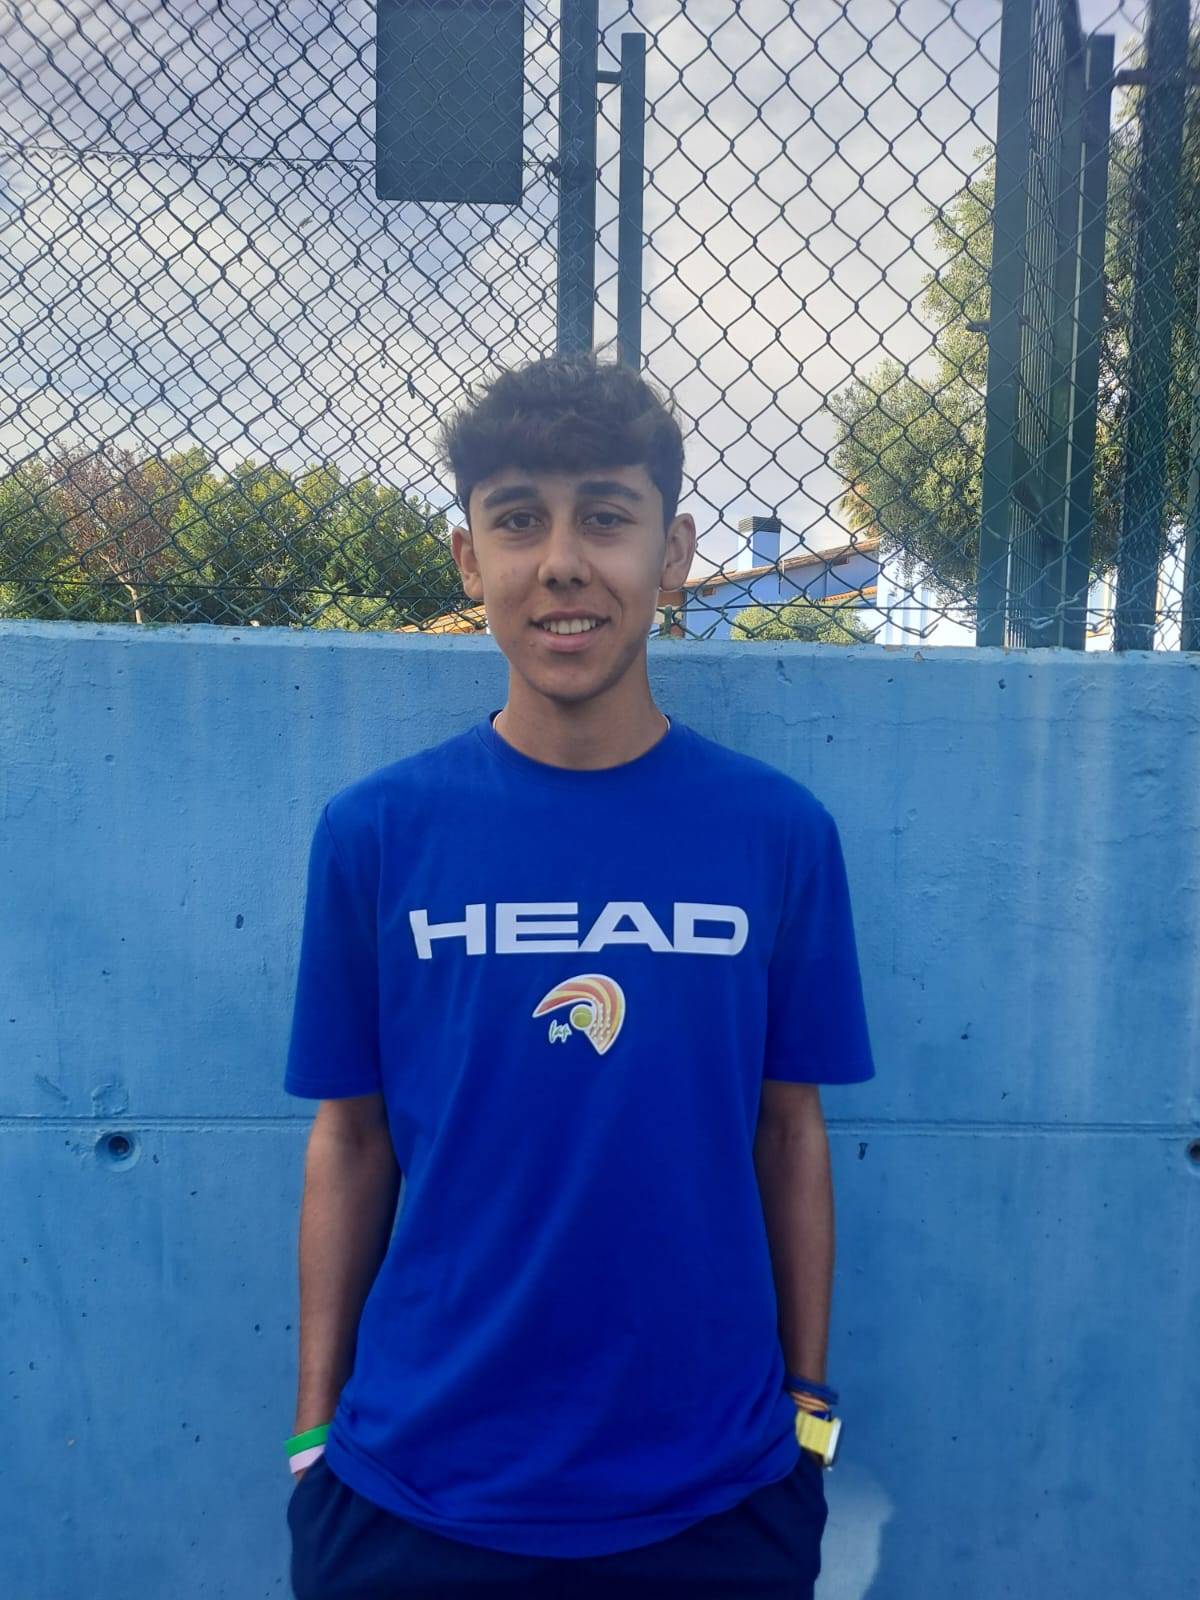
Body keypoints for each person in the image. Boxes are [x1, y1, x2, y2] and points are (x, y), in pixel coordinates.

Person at [282, 352, 876, 1598]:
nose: (561, 561)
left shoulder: (777, 833)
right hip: (412, 1492)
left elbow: (790, 1131)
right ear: (469, 561)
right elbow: (351, 1138)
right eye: (518, 520)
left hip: (718, 1496)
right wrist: (311, 1437)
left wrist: (809, 1412)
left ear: (674, 553)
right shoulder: (376, 834)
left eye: (606, 516)